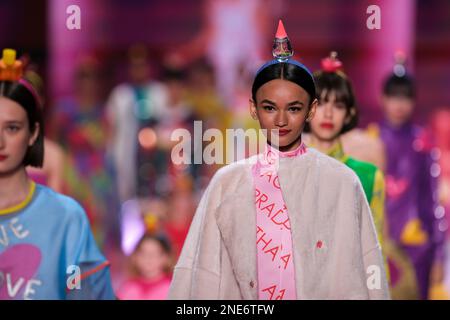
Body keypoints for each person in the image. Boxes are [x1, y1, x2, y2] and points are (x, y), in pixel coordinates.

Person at [168, 21, 389, 300]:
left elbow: (366, 274)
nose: (282, 120)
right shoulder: (228, 182)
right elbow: (201, 277)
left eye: (294, 108)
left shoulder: (343, 182)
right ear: (253, 108)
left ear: (311, 110)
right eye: (270, 108)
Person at [0, 49, 115, 300]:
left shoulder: (101, 113)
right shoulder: (65, 112)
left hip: (92, 179)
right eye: (84, 76)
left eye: (13, 127)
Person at [367, 51, 446, 299]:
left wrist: (439, 256)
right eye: (393, 96)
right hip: (377, 242)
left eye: (406, 97)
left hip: (416, 247)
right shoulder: (370, 139)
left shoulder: (422, 142)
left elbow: (432, 202)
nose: (399, 104)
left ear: (414, 101)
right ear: (382, 98)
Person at [304, 52, 386, 252]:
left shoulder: (367, 176)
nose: (328, 113)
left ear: (349, 114)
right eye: (321, 104)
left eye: (338, 105)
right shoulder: (283, 170)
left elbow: (375, 250)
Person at [117, 232, 172, 300]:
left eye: (154, 253)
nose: (148, 258)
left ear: (165, 257)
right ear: (135, 257)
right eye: (143, 253)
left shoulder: (172, 287)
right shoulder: (127, 288)